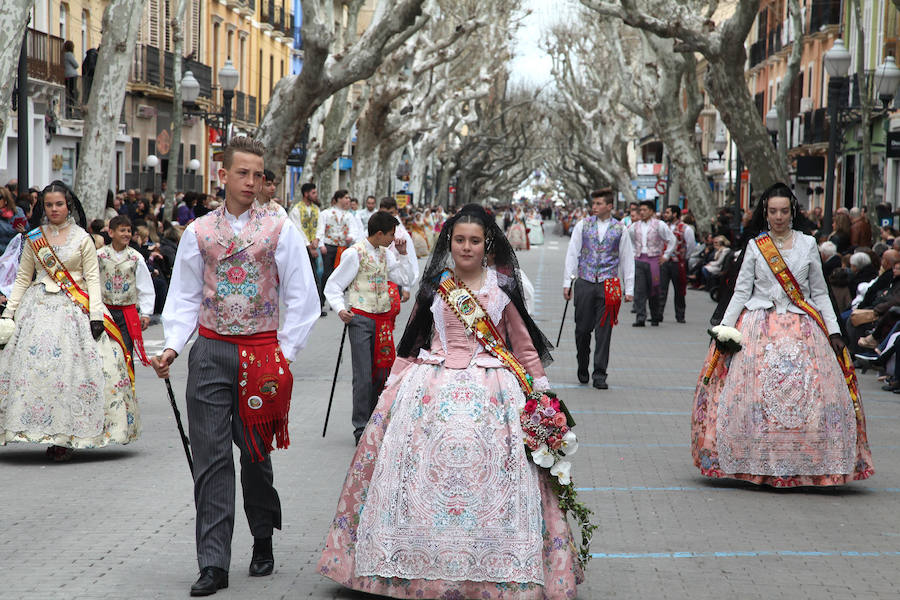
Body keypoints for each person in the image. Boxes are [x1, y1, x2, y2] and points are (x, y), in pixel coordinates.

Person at [318, 203, 583, 598]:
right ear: (450, 241)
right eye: (459, 239)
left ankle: (494, 564)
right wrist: (390, 390)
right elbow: (410, 344)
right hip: (430, 388)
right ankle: (411, 565)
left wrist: (540, 396)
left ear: (486, 243)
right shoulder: (435, 287)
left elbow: (524, 348)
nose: (466, 247)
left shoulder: (503, 289)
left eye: (474, 240)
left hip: (494, 391)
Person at [149, 137, 320, 596]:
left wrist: (285, 354)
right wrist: (172, 347)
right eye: (241, 173)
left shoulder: (281, 229)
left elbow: (302, 296)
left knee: (256, 456)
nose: (251, 182)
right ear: (221, 176)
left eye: (258, 174)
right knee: (211, 461)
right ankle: (213, 563)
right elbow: (184, 296)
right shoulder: (198, 232)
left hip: (262, 355)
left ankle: (262, 535)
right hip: (209, 353)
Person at [692, 183, 874, 487]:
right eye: (773, 211)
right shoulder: (756, 246)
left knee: (812, 395)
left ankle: (809, 464)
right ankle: (753, 461)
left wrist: (833, 331)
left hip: (804, 325)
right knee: (754, 397)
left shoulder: (807, 245)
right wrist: (724, 330)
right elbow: (740, 292)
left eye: (784, 211)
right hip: (758, 324)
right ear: (766, 213)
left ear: (793, 212)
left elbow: (819, 293)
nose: (779, 217)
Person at [0, 181, 139, 461]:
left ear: (69, 206)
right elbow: (23, 278)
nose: (54, 209)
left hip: (76, 309)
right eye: (49, 204)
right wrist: (9, 312)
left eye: (59, 204)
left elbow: (92, 279)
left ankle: (67, 436)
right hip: (36, 308)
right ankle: (37, 429)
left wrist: (97, 315)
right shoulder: (34, 238)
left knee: (73, 373)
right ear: (43, 206)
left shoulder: (82, 239)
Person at [324, 211, 418, 444]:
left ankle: (378, 420)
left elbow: (405, 280)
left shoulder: (387, 255)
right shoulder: (354, 254)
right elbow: (333, 285)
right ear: (379, 233)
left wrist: (404, 255)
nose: (393, 239)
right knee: (363, 375)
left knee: (382, 371)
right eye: (391, 234)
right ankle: (360, 426)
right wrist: (339, 308)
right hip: (361, 319)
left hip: (383, 319)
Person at [563, 189, 634, 389]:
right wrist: (567, 283)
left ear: (610, 206)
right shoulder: (582, 225)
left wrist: (629, 288)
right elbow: (572, 254)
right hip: (585, 281)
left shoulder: (621, 229)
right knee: (582, 330)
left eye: (599, 203)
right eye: (593, 204)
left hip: (610, 284)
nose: (594, 207)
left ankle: (600, 374)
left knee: (605, 332)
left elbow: (627, 259)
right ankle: (582, 365)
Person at [96, 215, 155, 364]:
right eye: (122, 230)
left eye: (129, 231)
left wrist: (146, 313)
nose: (126, 234)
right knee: (103, 352)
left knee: (126, 352)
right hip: (105, 312)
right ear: (111, 233)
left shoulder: (136, 258)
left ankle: (128, 385)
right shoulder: (99, 256)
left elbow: (145, 286)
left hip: (126, 313)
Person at [628, 200, 675, 326]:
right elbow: (630, 240)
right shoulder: (634, 226)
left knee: (654, 289)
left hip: (654, 259)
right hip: (639, 259)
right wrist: (633, 253)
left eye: (645, 210)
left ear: (652, 211)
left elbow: (671, 240)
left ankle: (655, 316)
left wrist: (666, 255)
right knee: (639, 290)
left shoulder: (659, 225)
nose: (642, 213)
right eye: (640, 210)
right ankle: (640, 317)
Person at [316, 189, 363, 298]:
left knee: (340, 274)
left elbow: (354, 230)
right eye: (346, 198)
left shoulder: (349, 216)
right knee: (326, 274)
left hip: (342, 248)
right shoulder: (325, 213)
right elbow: (320, 230)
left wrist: (351, 237)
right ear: (339, 199)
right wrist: (321, 245)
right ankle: (321, 299)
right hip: (328, 246)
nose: (348, 200)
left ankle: (336, 297)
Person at [289, 182, 326, 316]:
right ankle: (305, 307)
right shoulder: (296, 210)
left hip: (314, 246)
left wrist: (317, 239)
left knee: (319, 275)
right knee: (306, 277)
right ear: (306, 194)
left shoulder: (316, 209)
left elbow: (321, 226)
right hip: (303, 249)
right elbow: (297, 229)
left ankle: (318, 306)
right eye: (313, 193)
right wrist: (309, 246)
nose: (316, 195)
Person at [659, 204, 695, 323]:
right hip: (663, 262)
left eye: (668, 212)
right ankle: (658, 314)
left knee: (679, 290)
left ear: (675, 214)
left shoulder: (686, 228)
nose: (665, 215)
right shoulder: (663, 227)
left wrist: (684, 257)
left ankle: (680, 315)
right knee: (661, 289)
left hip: (678, 263)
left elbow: (690, 245)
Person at [63, 41, 79, 118]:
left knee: (69, 93)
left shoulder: (63, 55)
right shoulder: (69, 55)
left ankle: (69, 111)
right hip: (72, 75)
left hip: (66, 75)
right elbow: (76, 65)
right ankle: (75, 110)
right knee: (74, 93)